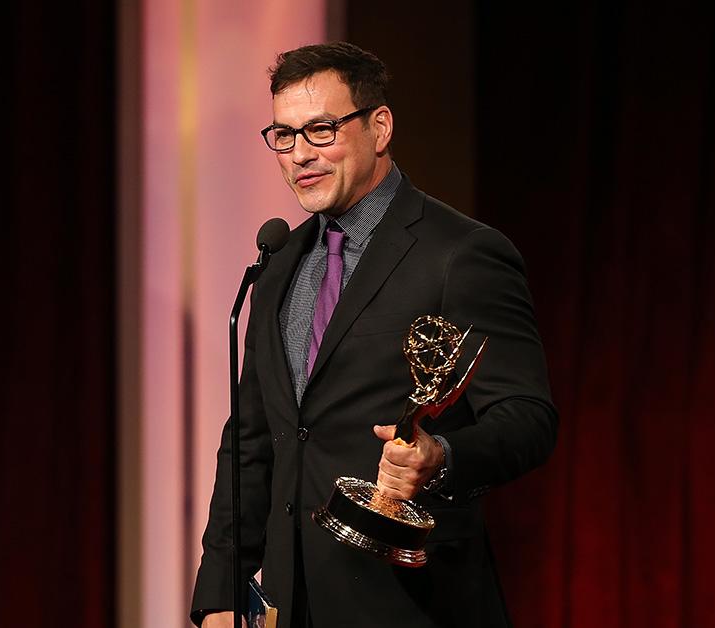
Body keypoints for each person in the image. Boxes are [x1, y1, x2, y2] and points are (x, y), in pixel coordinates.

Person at [191, 42, 557, 628]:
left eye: (321, 130)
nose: (299, 155)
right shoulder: (279, 264)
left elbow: (528, 417)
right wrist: (222, 589)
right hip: (292, 604)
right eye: (283, 136)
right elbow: (253, 439)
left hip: (412, 602)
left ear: (379, 126)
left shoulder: (460, 254)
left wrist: (440, 457)